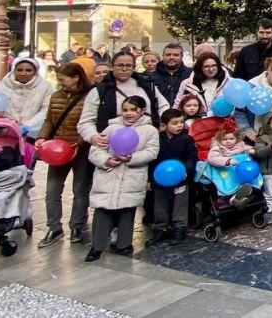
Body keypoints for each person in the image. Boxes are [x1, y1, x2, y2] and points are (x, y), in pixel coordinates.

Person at [86, 96, 158, 262]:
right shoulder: (112, 128)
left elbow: (151, 152)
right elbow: (96, 150)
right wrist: (106, 160)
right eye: (125, 110)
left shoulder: (150, 131)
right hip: (108, 177)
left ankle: (124, 244)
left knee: (127, 212)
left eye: (133, 110)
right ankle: (96, 246)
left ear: (142, 111)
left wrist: (132, 158)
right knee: (103, 211)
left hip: (131, 178)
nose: (128, 113)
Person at [35, 62, 95, 248]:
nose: (60, 83)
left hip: (81, 150)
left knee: (80, 191)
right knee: (52, 191)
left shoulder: (90, 96)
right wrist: (42, 137)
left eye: (62, 79)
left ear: (76, 77)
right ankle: (54, 228)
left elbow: (91, 122)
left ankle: (76, 227)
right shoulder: (56, 96)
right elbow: (49, 121)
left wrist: (78, 143)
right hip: (57, 150)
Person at [78, 51, 168, 147]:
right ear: (112, 67)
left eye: (128, 66)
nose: (124, 69)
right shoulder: (99, 91)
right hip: (111, 143)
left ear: (134, 67)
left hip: (146, 142)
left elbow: (164, 106)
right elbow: (86, 121)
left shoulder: (147, 86)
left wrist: (160, 122)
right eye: (120, 65)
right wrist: (93, 136)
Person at [148, 109, 197, 246]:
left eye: (181, 122)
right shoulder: (158, 139)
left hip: (181, 178)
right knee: (160, 204)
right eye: (175, 123)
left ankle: (179, 228)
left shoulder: (186, 139)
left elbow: (192, 158)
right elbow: (152, 160)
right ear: (165, 125)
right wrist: (150, 179)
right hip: (160, 179)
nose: (179, 125)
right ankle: (161, 228)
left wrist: (185, 169)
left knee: (180, 204)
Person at [0, 54, 51, 133]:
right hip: (2, 133)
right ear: (14, 70)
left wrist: (26, 126)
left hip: (34, 134)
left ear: (35, 72)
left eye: (28, 70)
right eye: (19, 70)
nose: (23, 73)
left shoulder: (45, 87)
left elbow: (46, 111)